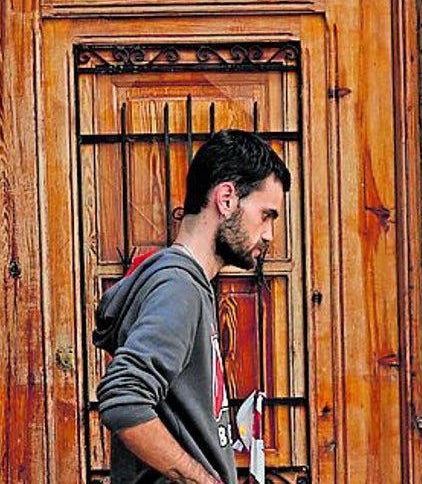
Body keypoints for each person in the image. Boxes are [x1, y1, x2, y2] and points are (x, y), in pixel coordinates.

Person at [94, 129, 289, 484]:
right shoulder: (178, 287)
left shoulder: (186, 284)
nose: (269, 235)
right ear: (226, 198)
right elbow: (123, 398)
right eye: (266, 215)